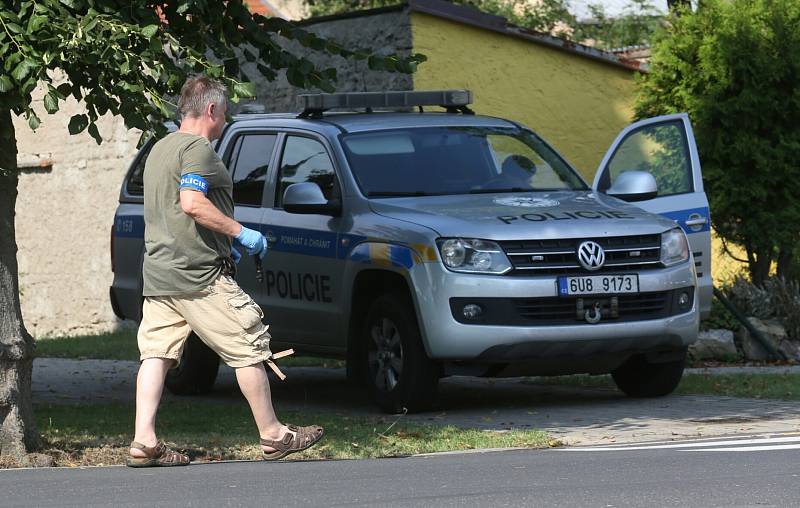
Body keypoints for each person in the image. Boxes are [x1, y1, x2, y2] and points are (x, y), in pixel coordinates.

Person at [127, 75, 323, 467]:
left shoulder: (160, 148)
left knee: (156, 355)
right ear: (212, 109)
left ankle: (143, 440)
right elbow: (191, 203)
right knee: (248, 345)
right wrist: (241, 232)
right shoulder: (198, 149)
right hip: (198, 276)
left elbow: (175, 210)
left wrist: (223, 237)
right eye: (226, 111)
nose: (226, 119)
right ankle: (273, 435)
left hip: (160, 273)